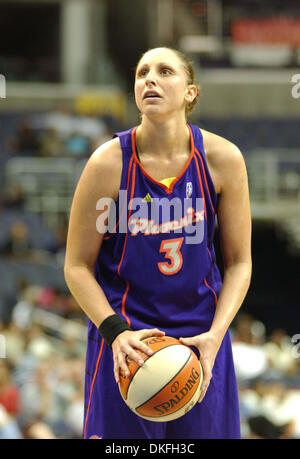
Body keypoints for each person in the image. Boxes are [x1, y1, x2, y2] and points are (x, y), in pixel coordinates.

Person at [64, 47, 252, 439]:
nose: (149, 78)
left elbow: (239, 263)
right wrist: (114, 331)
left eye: (165, 71)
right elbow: (76, 266)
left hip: (201, 335)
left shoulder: (223, 159)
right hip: (127, 339)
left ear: (190, 92)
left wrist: (217, 334)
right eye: (141, 73)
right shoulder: (107, 164)